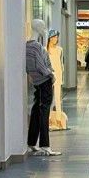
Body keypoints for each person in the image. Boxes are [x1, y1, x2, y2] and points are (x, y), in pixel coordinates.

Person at [25, 19, 61, 156]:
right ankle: (45, 145)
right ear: (38, 28)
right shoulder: (36, 47)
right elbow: (40, 66)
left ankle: (32, 142)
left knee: (36, 111)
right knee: (44, 112)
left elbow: (30, 66)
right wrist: (51, 75)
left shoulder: (27, 46)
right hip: (44, 81)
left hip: (37, 82)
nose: (44, 29)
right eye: (43, 26)